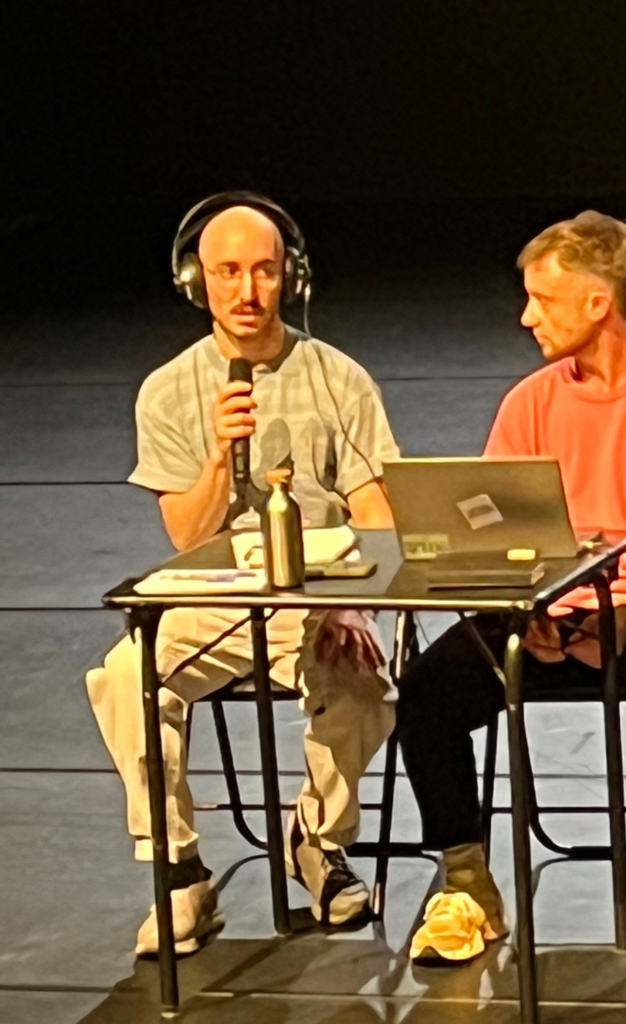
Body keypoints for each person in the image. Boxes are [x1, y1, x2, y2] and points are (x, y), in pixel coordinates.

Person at [396, 211, 626, 964]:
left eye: (543, 299)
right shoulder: (529, 404)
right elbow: (495, 527)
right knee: (428, 688)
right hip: (544, 611)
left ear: (598, 303)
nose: (526, 316)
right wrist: (520, 603)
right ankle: (466, 882)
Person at [86, 195, 399, 957]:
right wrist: (218, 457)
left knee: (364, 688)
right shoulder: (168, 389)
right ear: (196, 280)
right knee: (126, 675)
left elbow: (377, 514)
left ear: (291, 275)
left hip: (320, 591)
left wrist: (355, 604)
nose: (247, 290)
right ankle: (180, 871)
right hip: (219, 592)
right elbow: (186, 535)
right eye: (227, 271)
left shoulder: (338, 378)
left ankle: (316, 844)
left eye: (263, 270)